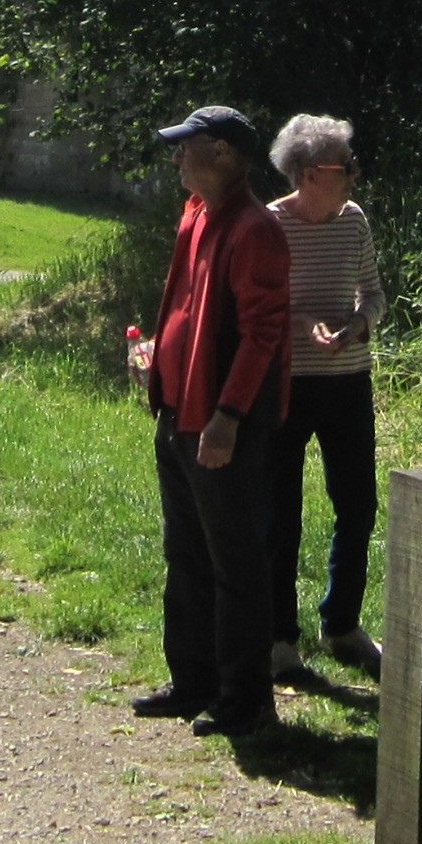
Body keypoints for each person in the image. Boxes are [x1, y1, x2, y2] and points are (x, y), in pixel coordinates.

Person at [130, 104, 292, 738]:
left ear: (222, 153)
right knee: (187, 554)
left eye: (186, 146)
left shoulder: (255, 229)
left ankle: (244, 698)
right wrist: (156, 358)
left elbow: (262, 336)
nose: (176, 157)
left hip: (221, 424)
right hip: (179, 413)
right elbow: (186, 307)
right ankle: (192, 680)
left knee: (236, 564)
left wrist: (227, 418)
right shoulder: (197, 215)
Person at [266, 113, 385, 678]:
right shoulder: (270, 226)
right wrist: (308, 322)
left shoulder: (354, 220)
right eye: (347, 167)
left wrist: (356, 327)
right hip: (289, 384)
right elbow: (258, 311)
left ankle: (341, 624)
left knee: (358, 504)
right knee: (279, 511)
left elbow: (374, 296)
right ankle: (277, 637)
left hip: (349, 381)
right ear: (313, 173)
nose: (354, 177)